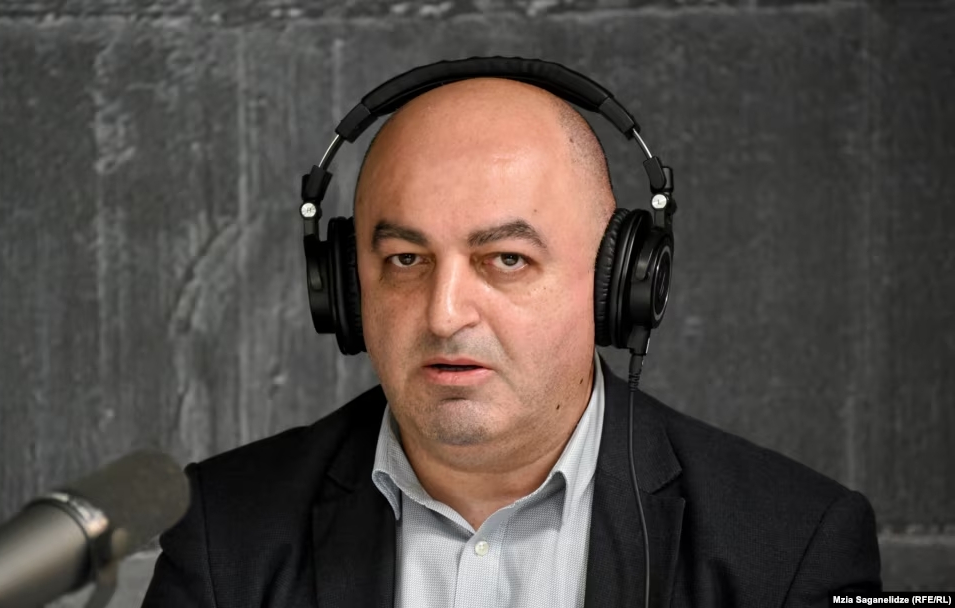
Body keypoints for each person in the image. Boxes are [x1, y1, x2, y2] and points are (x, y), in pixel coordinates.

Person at [142, 74, 882, 607]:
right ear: (344, 288)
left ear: (617, 284)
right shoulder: (222, 530)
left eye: (506, 260)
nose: (444, 315)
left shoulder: (793, 545)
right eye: (406, 260)